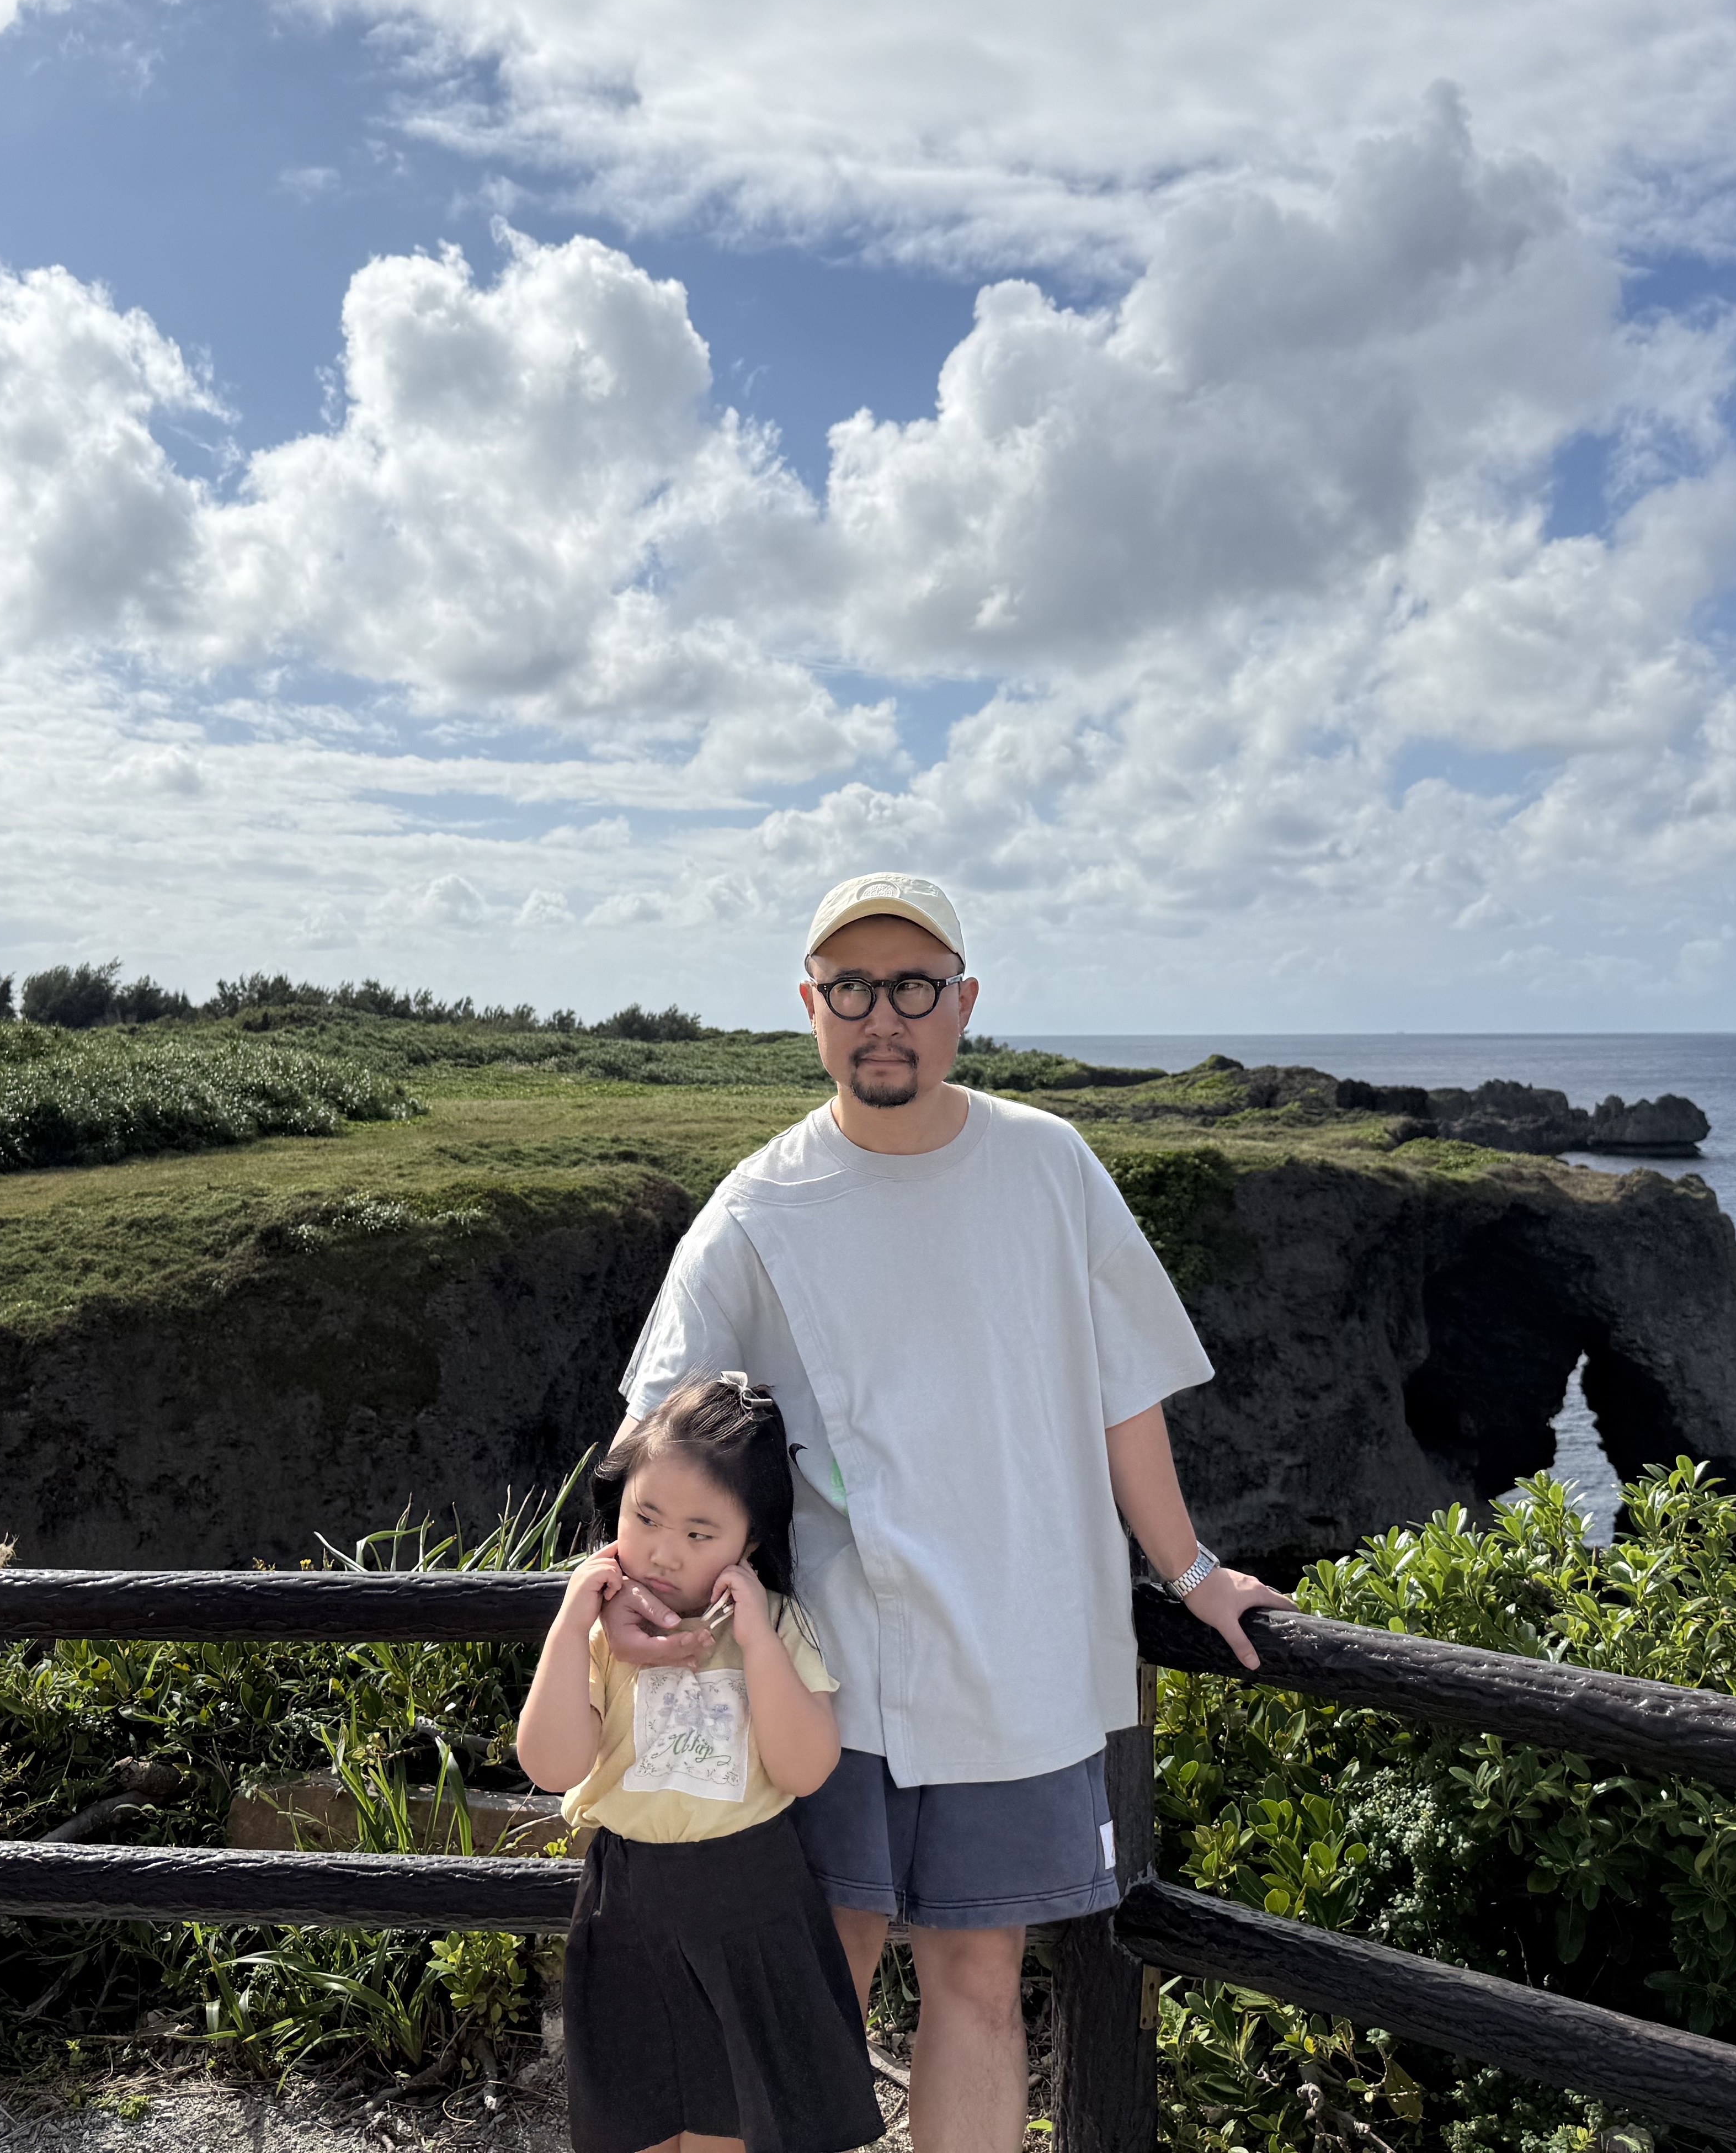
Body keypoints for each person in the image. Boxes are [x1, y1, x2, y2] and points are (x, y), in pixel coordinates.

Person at [602, 869, 1293, 2153]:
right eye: (852, 987)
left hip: (1023, 1650)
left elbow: (1122, 1396)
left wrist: (1191, 1572)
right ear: (809, 1007)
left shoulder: (1048, 1164)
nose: (884, 1016)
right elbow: (659, 1439)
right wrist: (637, 1596)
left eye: (912, 986)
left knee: (982, 1983)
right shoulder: (758, 1208)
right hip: (827, 1670)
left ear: (962, 1002)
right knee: (822, 1981)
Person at [515, 1374, 885, 2153]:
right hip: (628, 1899)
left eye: (699, 1532)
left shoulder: (779, 1626)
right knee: (635, 2114)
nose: (663, 1551)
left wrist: (754, 1641)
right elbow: (551, 1765)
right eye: (644, 1517)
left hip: (751, 1900)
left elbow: (805, 1768)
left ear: (748, 1543)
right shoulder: (599, 1635)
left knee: (732, 2124)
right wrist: (571, 1615)